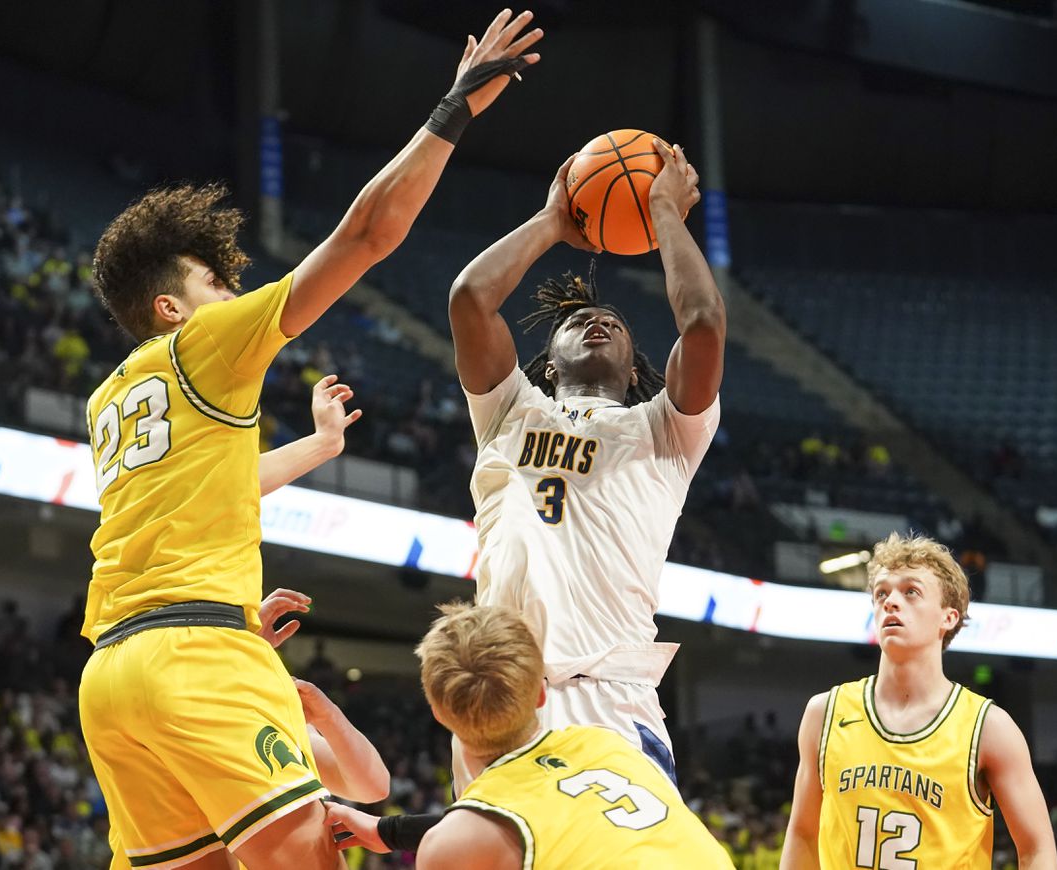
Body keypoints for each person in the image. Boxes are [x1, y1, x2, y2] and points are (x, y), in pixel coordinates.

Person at [77, 11, 543, 869]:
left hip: (111, 676)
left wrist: (320, 449)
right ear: (172, 306)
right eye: (215, 283)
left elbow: (208, 489)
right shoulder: (203, 343)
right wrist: (455, 109)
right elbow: (367, 235)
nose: (231, 295)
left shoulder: (112, 397)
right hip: (199, 657)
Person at [447, 141, 725, 785]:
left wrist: (664, 214)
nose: (596, 321)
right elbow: (470, 299)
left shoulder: (663, 430)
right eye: (578, 322)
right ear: (545, 364)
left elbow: (705, 324)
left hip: (610, 696)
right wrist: (551, 221)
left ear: (635, 372)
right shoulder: (509, 410)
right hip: (501, 694)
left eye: (613, 324)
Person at [325, 603, 734, 869]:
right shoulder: (608, 746)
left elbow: (485, 833)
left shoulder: (456, 843)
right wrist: (388, 831)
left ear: (438, 712)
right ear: (540, 692)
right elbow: (544, 820)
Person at [779, 532, 1057, 869]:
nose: (891, 601)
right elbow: (803, 834)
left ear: (948, 617)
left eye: (911, 592)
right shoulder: (824, 713)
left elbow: (1036, 848)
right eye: (882, 593)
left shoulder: (988, 728)